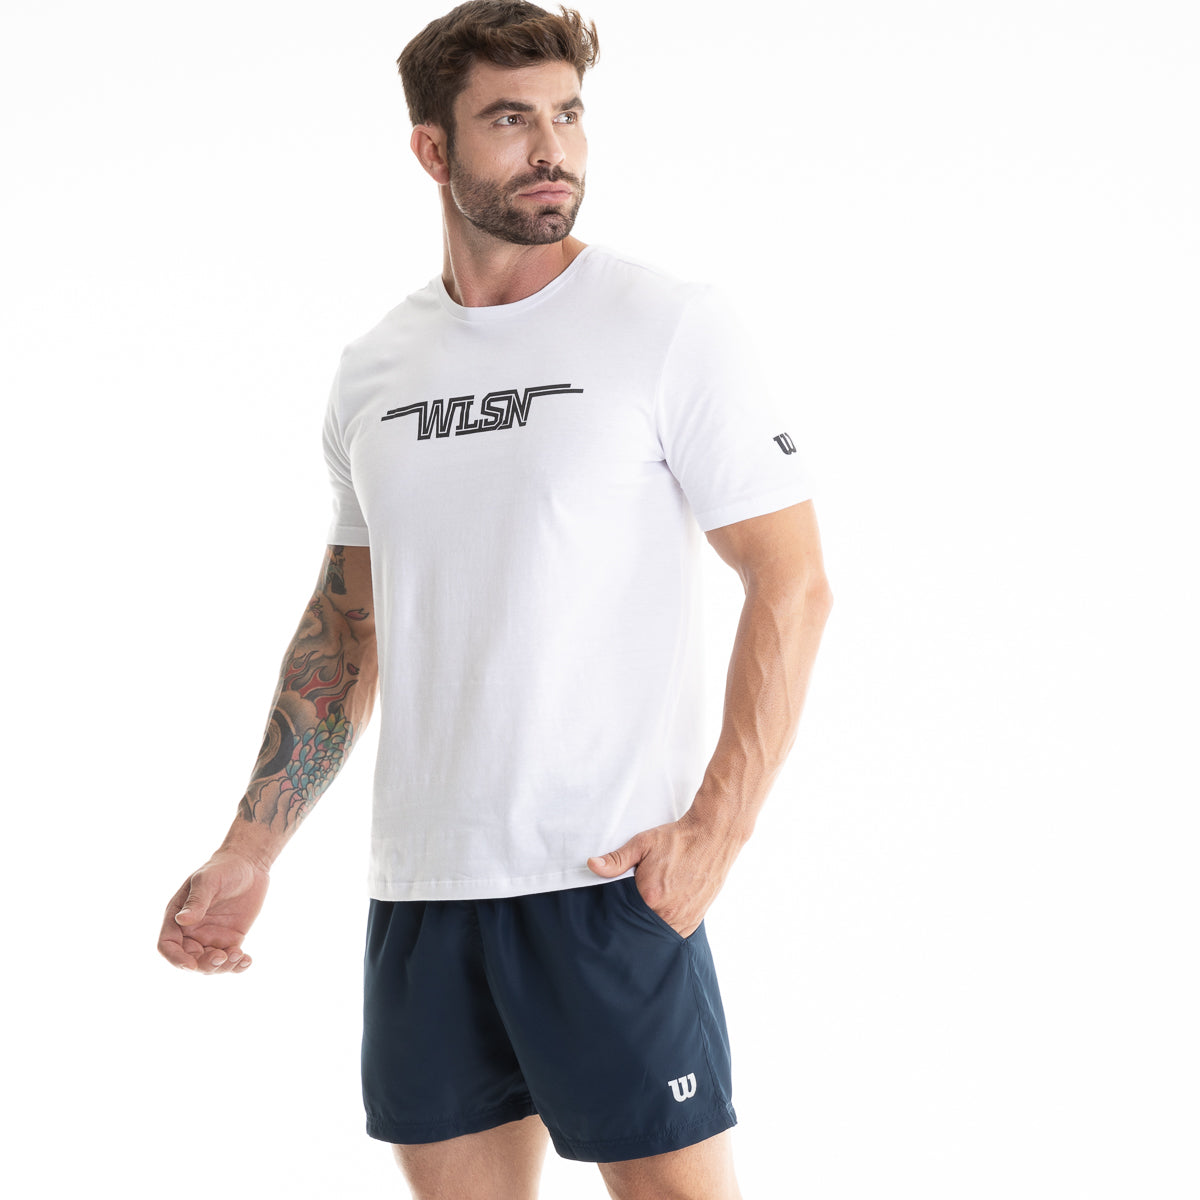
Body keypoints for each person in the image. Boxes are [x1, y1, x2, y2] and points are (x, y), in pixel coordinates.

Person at [157, 3, 832, 1197]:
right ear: (434, 149)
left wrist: (717, 832)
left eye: (568, 115)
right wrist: (249, 847)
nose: (552, 149)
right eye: (511, 120)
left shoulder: (666, 326)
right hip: (424, 892)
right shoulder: (376, 369)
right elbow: (347, 628)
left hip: (605, 881)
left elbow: (793, 581)